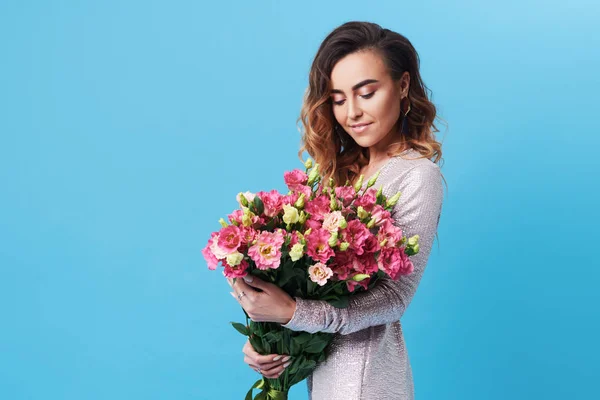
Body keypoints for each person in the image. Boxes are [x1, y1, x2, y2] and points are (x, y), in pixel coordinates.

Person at [227, 21, 446, 400]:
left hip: (370, 381)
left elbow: (393, 300)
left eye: (367, 93)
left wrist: (292, 312)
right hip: (326, 380)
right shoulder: (334, 174)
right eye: (339, 99)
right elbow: (310, 284)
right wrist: (266, 338)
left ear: (404, 85)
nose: (353, 112)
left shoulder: (417, 176)